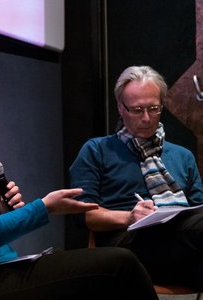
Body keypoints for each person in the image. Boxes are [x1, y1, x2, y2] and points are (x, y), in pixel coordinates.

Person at [0, 76, 159, 299]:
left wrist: (1, 213)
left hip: (1, 270)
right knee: (119, 264)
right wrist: (45, 207)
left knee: (110, 272)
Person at [69, 65, 203, 290]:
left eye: (154, 108)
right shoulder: (97, 150)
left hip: (181, 244)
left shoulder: (182, 155)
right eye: (137, 109)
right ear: (120, 108)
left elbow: (198, 210)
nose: (147, 118)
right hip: (127, 245)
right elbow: (83, 216)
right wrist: (129, 217)